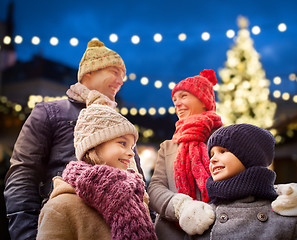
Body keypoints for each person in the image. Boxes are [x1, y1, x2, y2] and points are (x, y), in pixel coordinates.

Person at [4, 39, 144, 240]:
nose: (121, 80)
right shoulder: (49, 113)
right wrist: (27, 235)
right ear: (90, 72)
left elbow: (138, 179)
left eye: (123, 76)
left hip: (119, 230)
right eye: (114, 72)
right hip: (66, 227)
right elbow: (22, 175)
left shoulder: (121, 125)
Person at [37, 92, 157, 240]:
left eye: (131, 147)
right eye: (122, 143)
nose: (131, 153)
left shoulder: (136, 199)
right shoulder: (61, 207)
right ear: (94, 145)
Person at [147, 69, 223, 239]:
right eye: (175, 99)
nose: (177, 104)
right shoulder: (168, 146)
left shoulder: (225, 138)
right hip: (172, 233)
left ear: (204, 100)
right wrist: (181, 207)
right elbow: (155, 188)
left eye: (184, 96)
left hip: (217, 230)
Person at [198, 123, 297, 239]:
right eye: (211, 154)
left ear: (251, 156)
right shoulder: (202, 217)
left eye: (223, 151)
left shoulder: (286, 213)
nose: (213, 159)